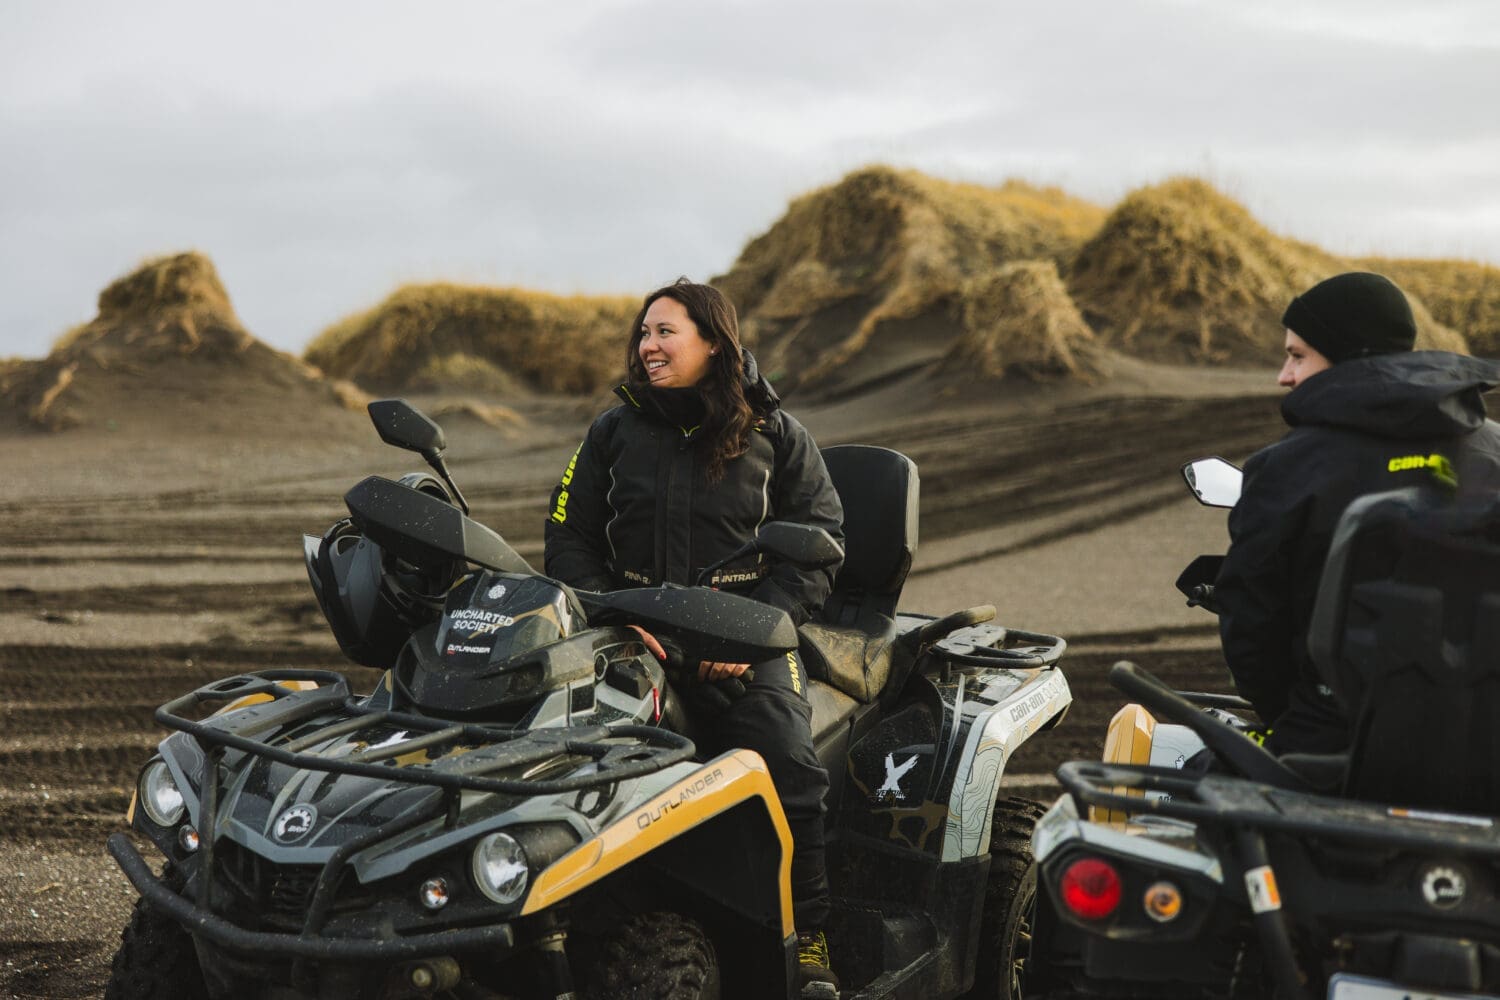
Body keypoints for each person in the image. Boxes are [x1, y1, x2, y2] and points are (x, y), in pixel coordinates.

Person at [544, 278, 845, 997]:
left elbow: (820, 542)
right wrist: (619, 615)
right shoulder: (612, 429)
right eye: (643, 333)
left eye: (665, 332)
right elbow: (568, 535)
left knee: (789, 766)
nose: (647, 345)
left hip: (746, 646)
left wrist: (751, 636)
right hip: (630, 637)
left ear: (714, 341)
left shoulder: (777, 434)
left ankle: (810, 940)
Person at [1215, 271, 1500, 756]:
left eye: (1298, 355)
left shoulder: (1286, 468)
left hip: (1332, 744)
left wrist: (1302, 714)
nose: (1285, 376)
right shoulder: (1495, 449)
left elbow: (1251, 632)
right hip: (1483, 739)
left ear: (1348, 356)